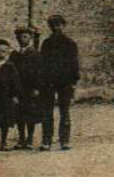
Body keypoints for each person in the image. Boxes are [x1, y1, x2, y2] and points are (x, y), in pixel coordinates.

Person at [39, 13, 80, 151]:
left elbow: (74, 64)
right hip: (49, 82)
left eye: (59, 25)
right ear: (50, 27)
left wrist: (74, 81)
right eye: (53, 25)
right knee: (47, 112)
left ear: (63, 26)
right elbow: (42, 63)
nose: (56, 28)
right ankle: (46, 140)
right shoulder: (46, 43)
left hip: (65, 81)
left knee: (65, 111)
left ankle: (64, 140)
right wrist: (43, 81)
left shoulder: (70, 44)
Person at [10, 26, 46, 149]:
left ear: (30, 38)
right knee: (19, 114)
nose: (22, 39)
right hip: (18, 88)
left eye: (25, 37)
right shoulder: (14, 54)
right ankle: (21, 138)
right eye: (19, 37)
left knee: (30, 113)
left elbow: (39, 72)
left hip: (30, 88)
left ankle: (30, 139)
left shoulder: (35, 54)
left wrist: (36, 88)